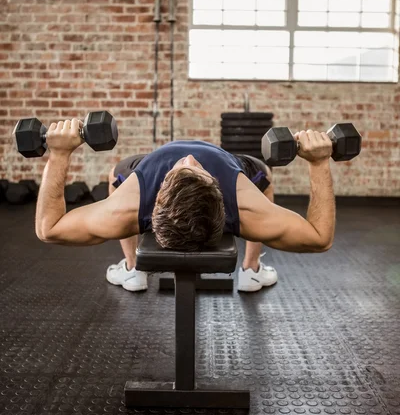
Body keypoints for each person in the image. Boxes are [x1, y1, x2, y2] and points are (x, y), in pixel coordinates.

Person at [35, 119, 335, 293]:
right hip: (230, 165)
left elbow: (49, 229)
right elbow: (320, 238)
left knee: (117, 175)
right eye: (193, 169)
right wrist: (319, 162)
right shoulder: (246, 205)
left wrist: (60, 153)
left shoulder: (127, 206)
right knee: (264, 177)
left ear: (158, 198)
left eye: (182, 168)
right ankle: (252, 270)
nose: (191, 159)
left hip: (146, 172)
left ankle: (131, 269)